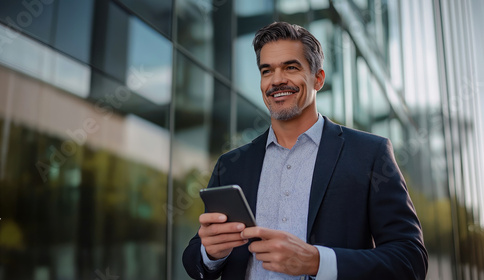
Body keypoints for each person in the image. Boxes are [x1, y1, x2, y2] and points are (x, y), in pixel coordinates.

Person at [182, 21, 428, 280]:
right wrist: (211, 253)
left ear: (318, 79)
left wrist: (317, 261)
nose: (277, 80)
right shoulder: (230, 165)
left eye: (291, 67)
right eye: (267, 71)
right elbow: (195, 257)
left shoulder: (370, 154)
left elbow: (409, 260)